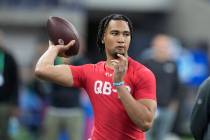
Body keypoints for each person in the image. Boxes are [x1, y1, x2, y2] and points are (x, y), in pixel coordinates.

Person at [35, 14, 157, 140]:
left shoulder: (143, 73)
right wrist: (54, 48)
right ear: (103, 38)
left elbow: (145, 123)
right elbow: (42, 70)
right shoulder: (91, 72)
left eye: (126, 34)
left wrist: (119, 85)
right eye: (115, 33)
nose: (121, 39)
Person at [142, 34, 180, 140]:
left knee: (162, 136)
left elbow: (177, 85)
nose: (162, 48)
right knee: (146, 135)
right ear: (153, 46)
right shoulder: (146, 63)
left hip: (167, 107)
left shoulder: (172, 64)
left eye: (164, 46)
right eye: (159, 45)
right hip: (149, 107)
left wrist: (174, 103)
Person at [0, 31, 19, 140]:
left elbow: (15, 82)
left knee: (5, 134)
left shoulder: (9, 58)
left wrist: (15, 103)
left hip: (5, 103)